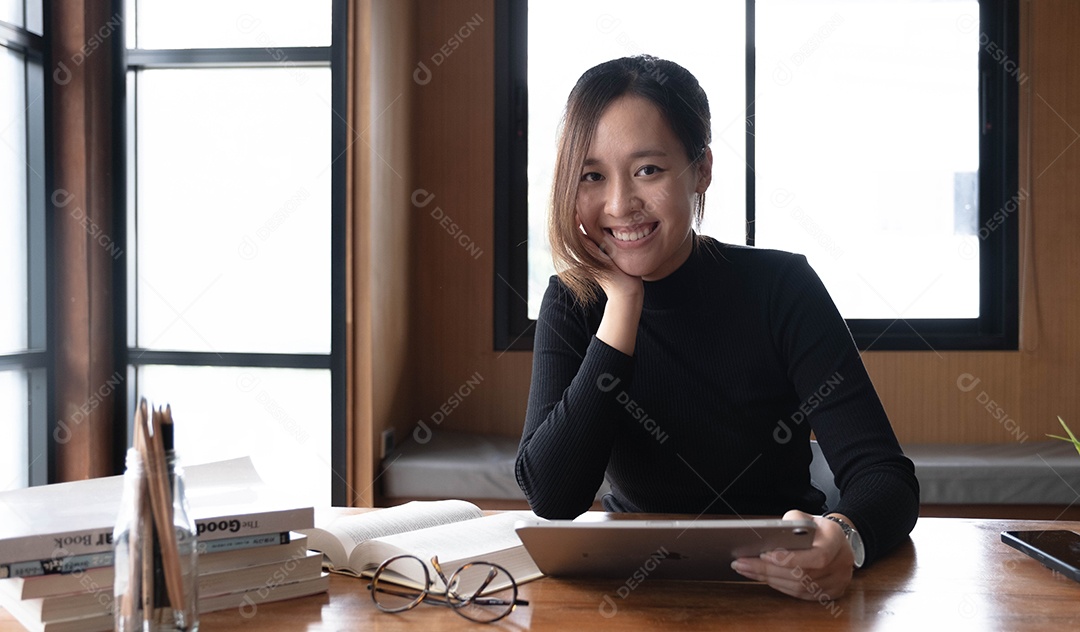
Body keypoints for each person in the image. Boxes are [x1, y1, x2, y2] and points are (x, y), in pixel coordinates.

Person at [515, 55, 920, 601]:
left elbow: (885, 477)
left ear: (701, 169)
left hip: (778, 586)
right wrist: (624, 304)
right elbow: (552, 496)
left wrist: (843, 540)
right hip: (633, 590)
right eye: (592, 176)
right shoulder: (574, 301)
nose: (619, 205)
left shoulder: (781, 286)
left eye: (648, 170)